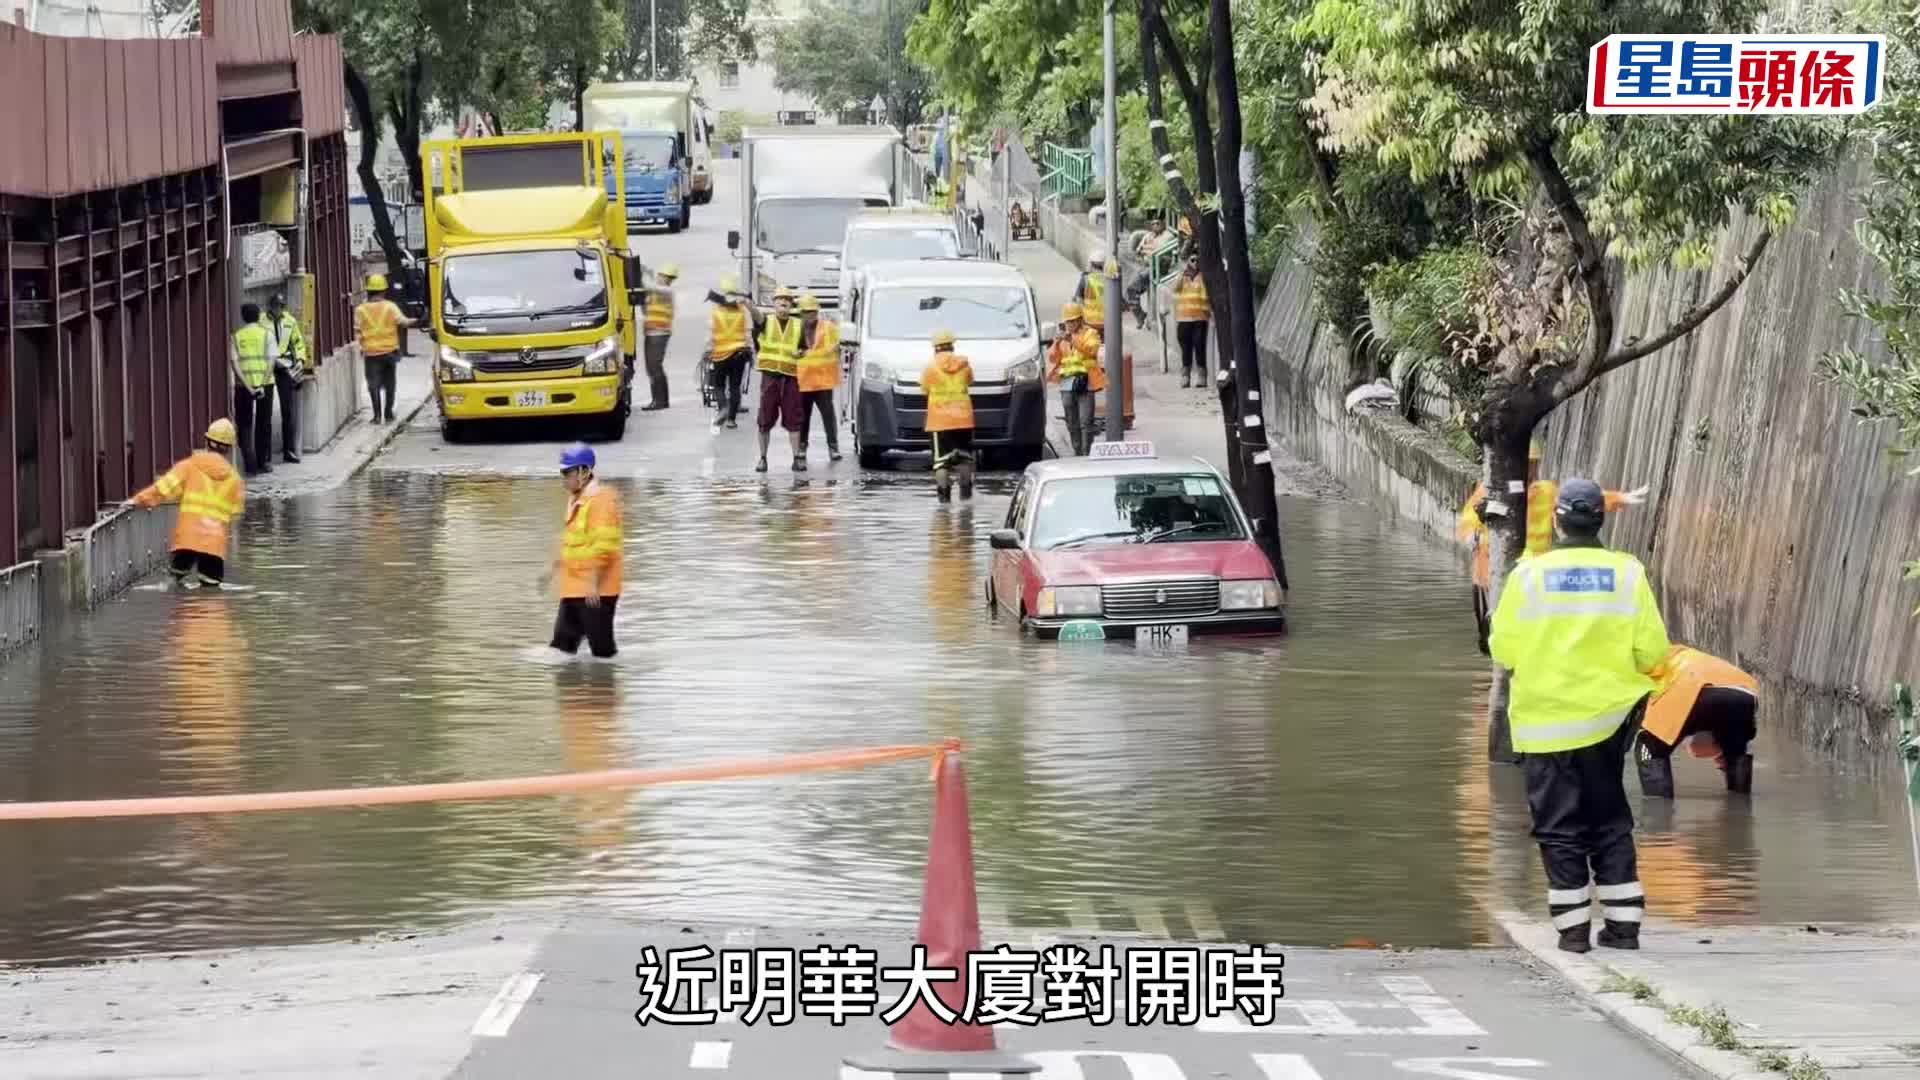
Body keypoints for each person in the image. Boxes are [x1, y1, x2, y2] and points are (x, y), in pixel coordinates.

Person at [1489, 478, 1669, 954]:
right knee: (1610, 821)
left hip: (1545, 727)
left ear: (1557, 521)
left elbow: (1503, 648)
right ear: (1601, 520)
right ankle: (1624, 929)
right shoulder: (1628, 573)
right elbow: (1653, 650)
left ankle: (1573, 934)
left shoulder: (1528, 576)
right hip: (1608, 725)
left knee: (1559, 828)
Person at [1457, 439, 1649, 656]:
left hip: (1533, 578)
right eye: (1526, 464)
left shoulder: (1545, 492)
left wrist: (1621, 498)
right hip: (1490, 579)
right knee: (1492, 642)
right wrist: (1478, 537)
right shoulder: (1489, 493)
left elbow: (1581, 501)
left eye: (1533, 464)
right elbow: (1466, 527)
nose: (1530, 470)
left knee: (1526, 638)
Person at [124, 418, 245, 588]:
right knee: (211, 592)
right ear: (229, 448)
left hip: (187, 539)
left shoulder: (189, 466)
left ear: (207, 441)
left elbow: (163, 488)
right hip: (213, 544)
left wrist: (136, 500)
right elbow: (235, 512)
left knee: (171, 583)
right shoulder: (235, 480)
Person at [1636, 644, 1758, 797]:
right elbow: (1698, 745)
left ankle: (1657, 813)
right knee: (1734, 754)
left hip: (1692, 690)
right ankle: (1741, 808)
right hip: (1746, 696)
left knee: (1649, 747)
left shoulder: (1648, 664)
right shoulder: (1684, 654)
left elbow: (1695, 746)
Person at [545, 442, 623, 659]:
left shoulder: (601, 501)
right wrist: (553, 569)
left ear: (584, 471)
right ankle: (576, 691)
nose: (563, 479)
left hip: (596, 591)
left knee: (602, 654)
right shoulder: (577, 500)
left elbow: (604, 547)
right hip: (574, 589)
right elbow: (573, 542)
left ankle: (605, 691)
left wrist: (593, 584)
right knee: (561, 651)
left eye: (566, 473)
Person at [754, 287, 807, 473]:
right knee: (765, 418)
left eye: (787, 300)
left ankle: (796, 459)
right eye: (779, 300)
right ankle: (762, 458)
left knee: (794, 418)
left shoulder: (797, 325)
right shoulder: (765, 321)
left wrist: (800, 352)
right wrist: (747, 304)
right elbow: (756, 316)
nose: (783, 302)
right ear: (774, 303)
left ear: (791, 304)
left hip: (791, 377)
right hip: (770, 377)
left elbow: (804, 348)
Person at [1045, 302, 1106, 457]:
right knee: (1072, 421)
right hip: (1067, 381)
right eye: (1067, 321)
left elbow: (1091, 349)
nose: (1069, 324)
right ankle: (1077, 451)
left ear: (1080, 320)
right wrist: (1056, 343)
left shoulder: (1090, 334)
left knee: (1086, 421)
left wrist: (1073, 341)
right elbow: (1053, 358)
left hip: (1086, 381)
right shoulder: (1064, 337)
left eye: (1072, 321)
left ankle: (1087, 453)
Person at [922, 328, 976, 502]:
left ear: (935, 347)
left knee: (941, 463)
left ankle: (944, 503)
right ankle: (966, 499)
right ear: (952, 346)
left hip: (940, 422)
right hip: (963, 420)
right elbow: (970, 381)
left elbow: (924, 388)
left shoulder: (930, 367)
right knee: (964, 459)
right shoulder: (964, 365)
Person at [354, 273, 413, 424]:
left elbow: (356, 331)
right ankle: (388, 414)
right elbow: (403, 322)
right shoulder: (390, 307)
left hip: (371, 354)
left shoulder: (360, 310)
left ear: (369, 291)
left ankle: (376, 416)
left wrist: (360, 346)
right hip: (389, 353)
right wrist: (417, 320)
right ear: (383, 291)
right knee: (390, 385)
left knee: (373, 385)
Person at [794, 293, 843, 463]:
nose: (810, 314)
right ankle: (801, 446)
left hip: (822, 381)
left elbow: (839, 343)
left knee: (828, 415)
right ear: (801, 313)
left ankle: (833, 446)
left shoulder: (828, 327)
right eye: (807, 311)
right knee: (803, 417)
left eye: (813, 311)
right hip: (803, 380)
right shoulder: (796, 329)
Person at [229, 303, 274, 475]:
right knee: (264, 423)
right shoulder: (267, 335)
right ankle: (263, 462)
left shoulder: (236, 337)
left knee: (244, 424)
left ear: (243, 317)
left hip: (243, 386)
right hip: (266, 385)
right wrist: (261, 384)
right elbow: (271, 361)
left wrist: (247, 386)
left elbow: (234, 363)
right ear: (258, 316)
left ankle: (250, 465)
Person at [706, 274, 754, 431]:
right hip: (739, 354)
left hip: (720, 354)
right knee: (735, 386)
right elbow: (748, 333)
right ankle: (731, 420)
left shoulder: (715, 312)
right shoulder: (742, 311)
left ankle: (723, 408)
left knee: (718, 385)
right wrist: (750, 351)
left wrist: (707, 350)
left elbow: (710, 334)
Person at [266, 294, 307, 463]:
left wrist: (300, 360)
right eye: (276, 306)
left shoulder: (290, 321)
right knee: (265, 413)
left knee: (287, 410)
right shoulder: (263, 322)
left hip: (285, 367)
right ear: (270, 307)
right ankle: (266, 454)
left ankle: (288, 450)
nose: (278, 309)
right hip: (268, 366)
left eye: (281, 306)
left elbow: (298, 343)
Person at [641, 263, 678, 412]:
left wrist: (643, 273)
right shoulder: (655, 292)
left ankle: (661, 401)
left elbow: (649, 285)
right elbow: (645, 311)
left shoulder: (667, 291)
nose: (662, 279)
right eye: (661, 276)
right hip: (651, 332)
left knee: (655, 367)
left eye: (664, 277)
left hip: (660, 333)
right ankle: (657, 399)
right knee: (651, 368)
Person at [1172, 253, 1209, 387]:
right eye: (1192, 260)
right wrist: (1182, 272)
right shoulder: (1183, 276)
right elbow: (1175, 288)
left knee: (1199, 347)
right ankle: (1185, 376)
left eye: (1198, 260)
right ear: (1188, 261)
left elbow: (1205, 296)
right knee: (1185, 349)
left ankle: (1202, 376)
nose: (1195, 262)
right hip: (1184, 318)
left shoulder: (1203, 276)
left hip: (1200, 318)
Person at [1073, 251, 1110, 332]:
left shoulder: (1085, 278)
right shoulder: (1110, 280)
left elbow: (1077, 299)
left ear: (1090, 264)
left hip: (1089, 321)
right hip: (1107, 322)